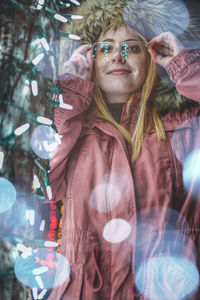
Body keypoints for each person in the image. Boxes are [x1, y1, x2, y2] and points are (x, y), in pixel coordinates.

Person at [45, 0, 200, 299]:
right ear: (88, 59)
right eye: (104, 48)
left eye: (132, 46)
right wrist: (71, 91)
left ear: (153, 55)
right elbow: (42, 179)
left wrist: (185, 66)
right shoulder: (71, 127)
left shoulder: (187, 127)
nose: (117, 55)